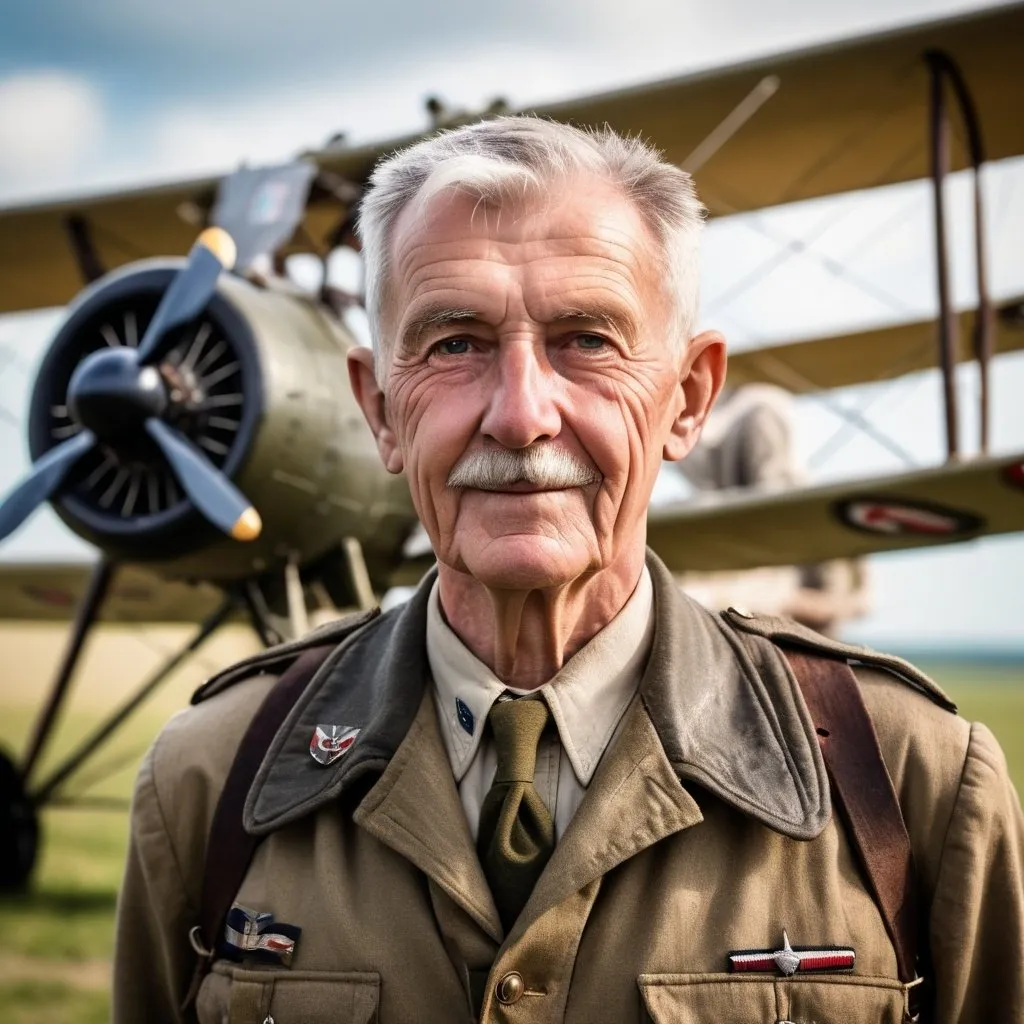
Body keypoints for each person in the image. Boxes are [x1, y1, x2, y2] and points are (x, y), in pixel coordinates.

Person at [113, 117, 1024, 1023]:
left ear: (689, 397)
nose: (520, 415)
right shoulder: (206, 780)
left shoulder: (916, 782)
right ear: (378, 411)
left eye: (587, 339)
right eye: (453, 343)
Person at [674, 383, 872, 632]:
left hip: (802, 657)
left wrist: (774, 602)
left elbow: (858, 602)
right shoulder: (697, 524)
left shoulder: (821, 519)